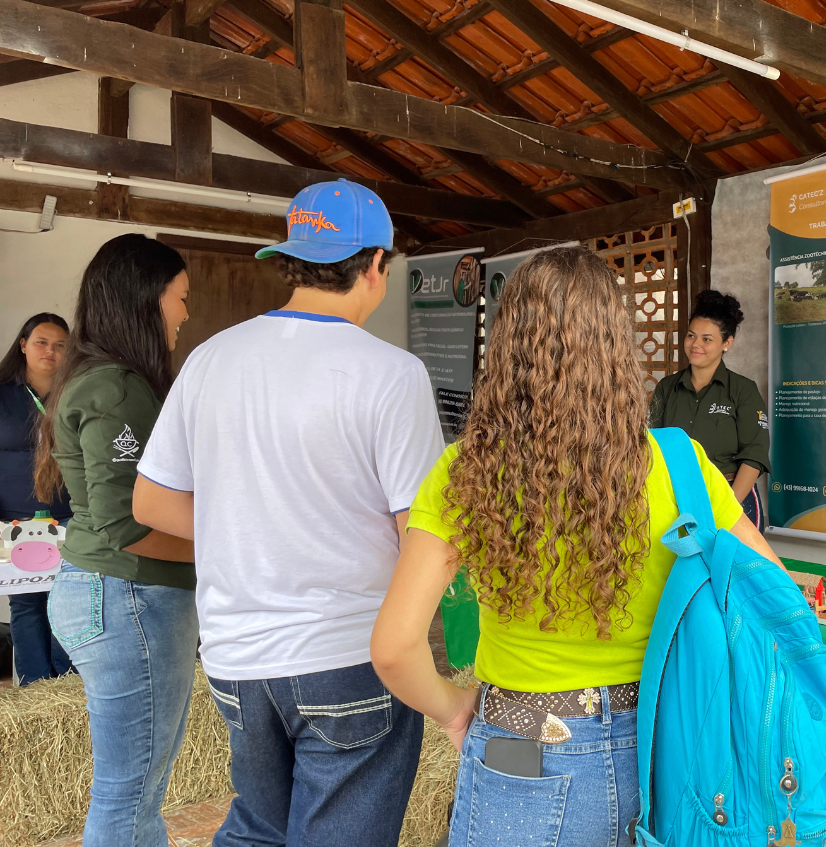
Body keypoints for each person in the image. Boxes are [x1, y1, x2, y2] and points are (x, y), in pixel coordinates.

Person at [370, 247, 785, 847]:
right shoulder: (679, 463)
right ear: (617, 346)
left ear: (509, 344)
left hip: (520, 744)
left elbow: (393, 648)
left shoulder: (468, 469)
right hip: (667, 749)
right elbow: (770, 599)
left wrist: (456, 708)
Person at [133, 179, 443, 847]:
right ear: (376, 266)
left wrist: (246, 520)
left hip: (237, 657)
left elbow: (151, 501)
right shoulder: (392, 374)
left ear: (292, 260)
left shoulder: (210, 359)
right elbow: (418, 531)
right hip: (348, 653)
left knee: (259, 827)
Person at [35, 235, 196, 847]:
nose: (185, 313)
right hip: (128, 598)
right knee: (130, 796)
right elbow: (129, 526)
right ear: (148, 298)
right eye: (181, 298)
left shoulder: (98, 377)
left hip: (113, 595)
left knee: (134, 792)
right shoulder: (118, 387)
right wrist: (227, 550)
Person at [649, 290, 771, 528]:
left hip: (730, 496)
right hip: (676, 497)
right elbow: (652, 444)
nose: (695, 345)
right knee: (681, 565)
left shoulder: (742, 390)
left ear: (727, 343)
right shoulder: (667, 388)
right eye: (691, 336)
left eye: (707, 339)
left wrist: (727, 507)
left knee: (730, 565)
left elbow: (755, 454)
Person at [0, 313, 72, 685]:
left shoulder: (76, 392)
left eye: (61, 345)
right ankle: (35, 689)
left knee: (67, 599)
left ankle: (68, 686)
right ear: (24, 344)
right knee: (27, 604)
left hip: (70, 519)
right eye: (42, 342)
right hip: (15, 523)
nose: (50, 351)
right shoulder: (3, 394)